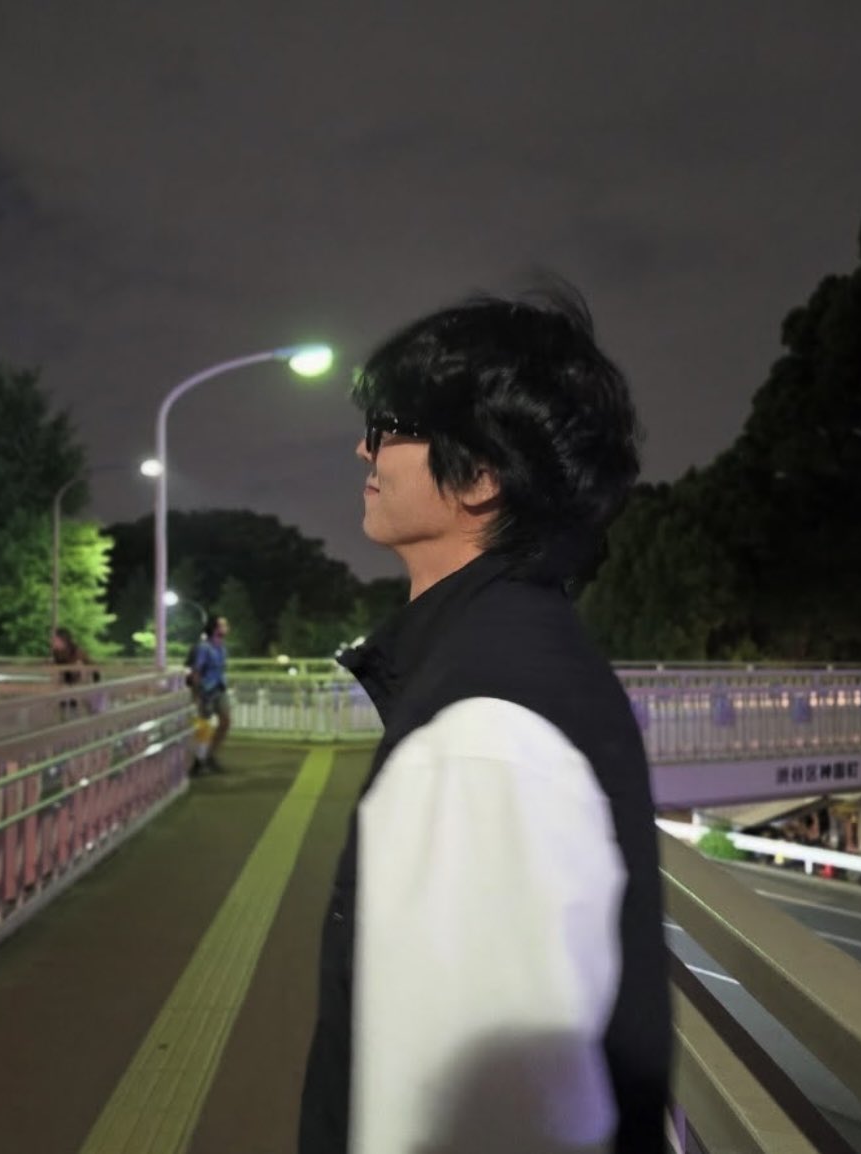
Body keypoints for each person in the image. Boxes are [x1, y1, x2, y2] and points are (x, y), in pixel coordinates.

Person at [299, 288, 672, 1153]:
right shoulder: (517, 655)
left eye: (390, 426)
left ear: (479, 475)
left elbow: (477, 1121)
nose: (364, 448)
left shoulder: (480, 739)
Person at [190, 615, 231, 774]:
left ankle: (209, 755)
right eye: (223, 625)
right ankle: (198, 761)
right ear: (215, 629)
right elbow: (196, 671)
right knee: (204, 726)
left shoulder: (222, 647)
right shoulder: (204, 647)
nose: (227, 628)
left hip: (220, 687)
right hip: (206, 690)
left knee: (225, 722)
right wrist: (196, 694)